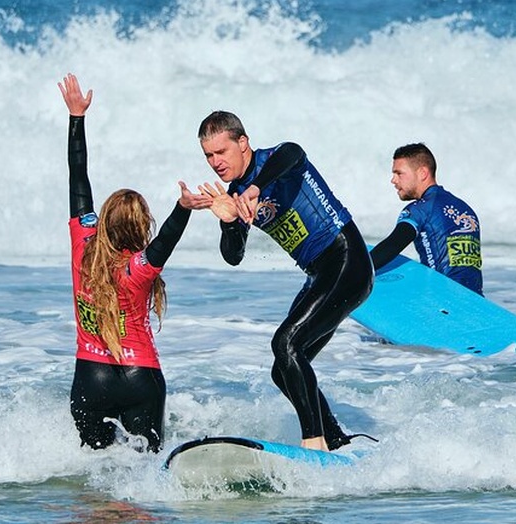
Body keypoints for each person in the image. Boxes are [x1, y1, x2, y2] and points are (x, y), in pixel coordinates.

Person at [196, 111, 374, 452]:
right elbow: (233, 256)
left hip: (346, 260)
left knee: (285, 344)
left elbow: (294, 151)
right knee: (284, 369)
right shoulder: (235, 194)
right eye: (209, 156)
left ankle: (314, 442)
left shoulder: (275, 160)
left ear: (243, 143)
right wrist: (229, 221)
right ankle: (335, 440)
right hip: (319, 274)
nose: (215, 162)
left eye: (222, 152)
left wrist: (256, 188)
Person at [58, 73, 212, 453]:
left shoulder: (84, 244)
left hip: (89, 378)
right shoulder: (140, 268)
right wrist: (183, 208)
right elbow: (166, 241)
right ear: (142, 225)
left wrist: (77, 118)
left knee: (94, 475)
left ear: (104, 219)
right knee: (142, 478)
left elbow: (78, 179)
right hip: (139, 378)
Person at [368, 143, 482, 295]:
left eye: (399, 173)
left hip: (442, 300)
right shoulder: (466, 210)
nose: (393, 180)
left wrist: (357, 271)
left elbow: (393, 245)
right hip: (476, 301)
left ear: (422, 173)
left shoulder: (419, 210)